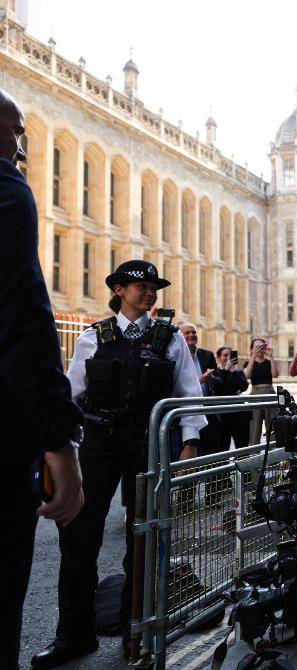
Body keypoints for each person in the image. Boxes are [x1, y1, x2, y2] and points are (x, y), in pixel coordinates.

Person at [33, 260, 207, 668]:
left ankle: (138, 631)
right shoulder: (94, 336)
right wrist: (62, 445)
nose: (149, 292)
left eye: (153, 287)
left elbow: (187, 394)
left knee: (141, 539)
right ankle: (74, 636)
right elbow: (73, 393)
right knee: (78, 537)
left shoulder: (170, 339)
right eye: (140, 286)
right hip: (97, 443)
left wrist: (191, 443)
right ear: (118, 289)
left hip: (146, 444)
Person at [0, 87, 84, 669]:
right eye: (17, 133)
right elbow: (23, 321)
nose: (22, 148)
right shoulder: (7, 190)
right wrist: (60, 438)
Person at [179, 323, 220, 453]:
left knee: (210, 448)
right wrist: (199, 380)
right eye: (187, 333)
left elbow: (219, 381)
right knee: (191, 447)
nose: (191, 335)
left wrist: (211, 378)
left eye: (194, 332)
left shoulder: (207, 355)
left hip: (207, 409)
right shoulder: (176, 354)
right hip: (186, 410)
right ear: (180, 336)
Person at [212, 346, 250, 451]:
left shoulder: (238, 372)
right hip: (222, 414)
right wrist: (225, 370)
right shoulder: (216, 372)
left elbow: (244, 387)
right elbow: (218, 387)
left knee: (242, 445)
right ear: (219, 358)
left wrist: (233, 371)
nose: (228, 357)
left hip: (238, 414)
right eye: (225, 355)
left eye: (230, 355)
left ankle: (243, 466)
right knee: (222, 446)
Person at [245, 337, 278, 445]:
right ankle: (253, 453)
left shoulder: (269, 362)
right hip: (255, 393)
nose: (259, 349)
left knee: (272, 425)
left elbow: (275, 374)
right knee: (254, 427)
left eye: (261, 346)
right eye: (256, 346)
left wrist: (271, 356)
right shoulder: (249, 363)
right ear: (251, 349)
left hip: (269, 392)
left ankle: (274, 454)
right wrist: (253, 356)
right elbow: (247, 375)